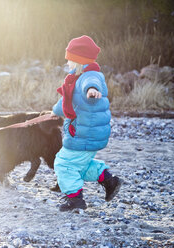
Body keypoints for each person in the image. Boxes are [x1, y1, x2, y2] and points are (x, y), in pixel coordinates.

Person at [52, 35, 123, 212]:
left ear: (78, 61)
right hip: (88, 133)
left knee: (64, 164)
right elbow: (67, 104)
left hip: (84, 135)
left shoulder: (89, 76)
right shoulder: (75, 79)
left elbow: (91, 84)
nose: (67, 63)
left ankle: (75, 200)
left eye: (69, 59)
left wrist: (92, 90)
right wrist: (53, 112)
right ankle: (108, 179)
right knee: (80, 166)